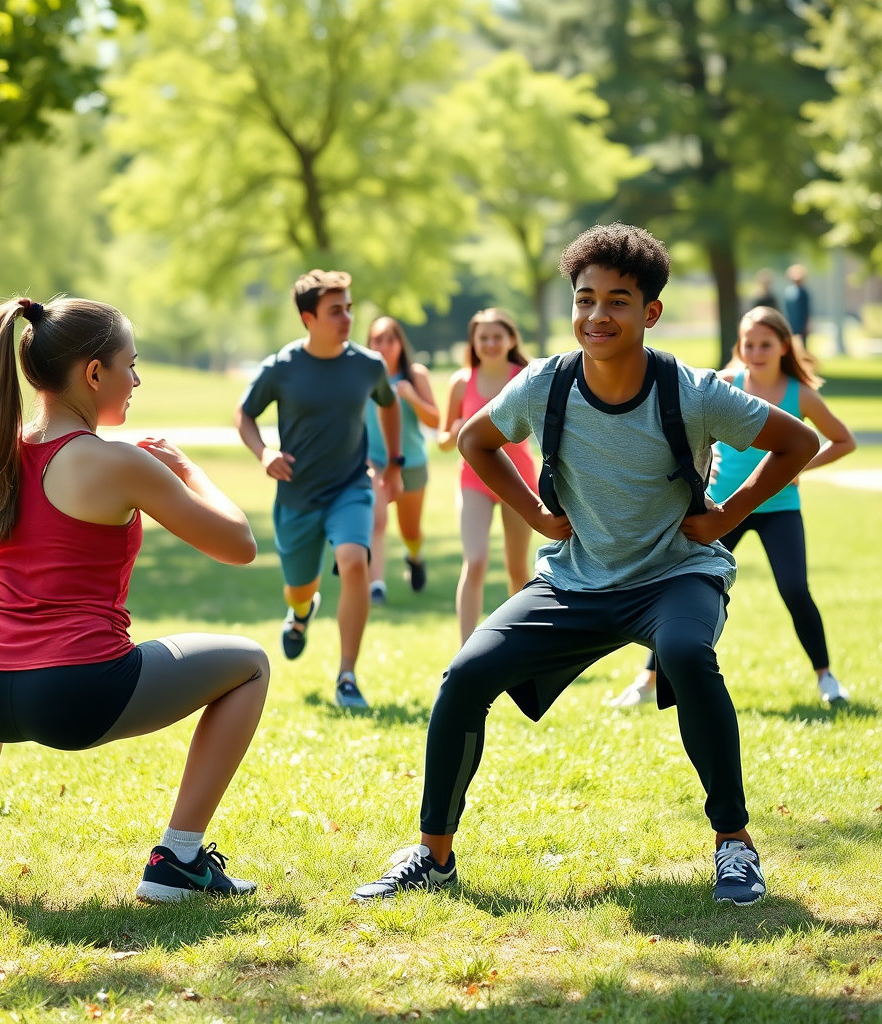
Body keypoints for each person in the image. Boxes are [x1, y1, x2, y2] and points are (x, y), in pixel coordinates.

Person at [352, 224, 818, 907]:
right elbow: (478, 443)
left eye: (619, 301)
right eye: (585, 298)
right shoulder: (545, 383)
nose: (598, 315)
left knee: (688, 654)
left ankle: (735, 846)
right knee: (464, 676)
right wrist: (536, 516)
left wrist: (725, 517)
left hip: (675, 576)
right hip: (575, 579)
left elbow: (797, 440)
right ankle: (433, 853)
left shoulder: (690, 390)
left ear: (650, 312)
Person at [0, 296, 270, 903]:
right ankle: (178, 861)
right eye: (130, 364)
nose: (137, 380)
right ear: (93, 373)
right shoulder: (118, 462)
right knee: (250, 663)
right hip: (79, 692)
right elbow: (238, 544)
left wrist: (4, 517)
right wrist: (189, 470)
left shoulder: (0, 448)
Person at [608, 304, 856, 710]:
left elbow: (844, 440)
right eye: (748, 343)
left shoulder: (802, 395)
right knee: (683, 584)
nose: (756, 351)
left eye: (765, 343)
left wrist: (800, 465)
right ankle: (648, 679)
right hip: (722, 509)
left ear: (782, 347)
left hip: (780, 508)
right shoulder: (724, 384)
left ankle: (826, 678)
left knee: (795, 589)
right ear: (739, 347)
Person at [235, 270, 401, 711]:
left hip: (351, 486)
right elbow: (244, 413)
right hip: (297, 497)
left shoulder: (367, 365)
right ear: (309, 317)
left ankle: (347, 676)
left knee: (353, 560)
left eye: (348, 308)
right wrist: (263, 452)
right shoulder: (282, 368)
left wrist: (394, 463)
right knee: (299, 587)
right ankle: (302, 612)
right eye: (335, 311)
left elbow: (389, 404)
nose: (346, 317)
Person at [438, 308, 537, 646]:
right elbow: (443, 439)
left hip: (518, 480)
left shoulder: (526, 376)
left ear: (511, 339)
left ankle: (520, 645)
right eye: (484, 338)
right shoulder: (461, 382)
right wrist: (451, 434)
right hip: (474, 480)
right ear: (474, 343)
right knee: (476, 559)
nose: (491, 343)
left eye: (498, 336)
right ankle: (466, 650)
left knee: (517, 568)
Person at [364, 316, 440, 605]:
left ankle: (414, 557)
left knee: (410, 530)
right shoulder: (364, 376)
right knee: (376, 519)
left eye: (388, 339)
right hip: (375, 462)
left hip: (411, 463)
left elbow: (435, 420)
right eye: (376, 340)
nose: (382, 346)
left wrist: (412, 398)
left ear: (400, 343)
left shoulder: (415, 375)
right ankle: (377, 587)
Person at [783, 264, 812, 345]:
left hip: (801, 324)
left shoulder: (804, 292)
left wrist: (807, 325)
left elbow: (807, 310)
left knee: (802, 345)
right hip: (791, 322)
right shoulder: (788, 291)